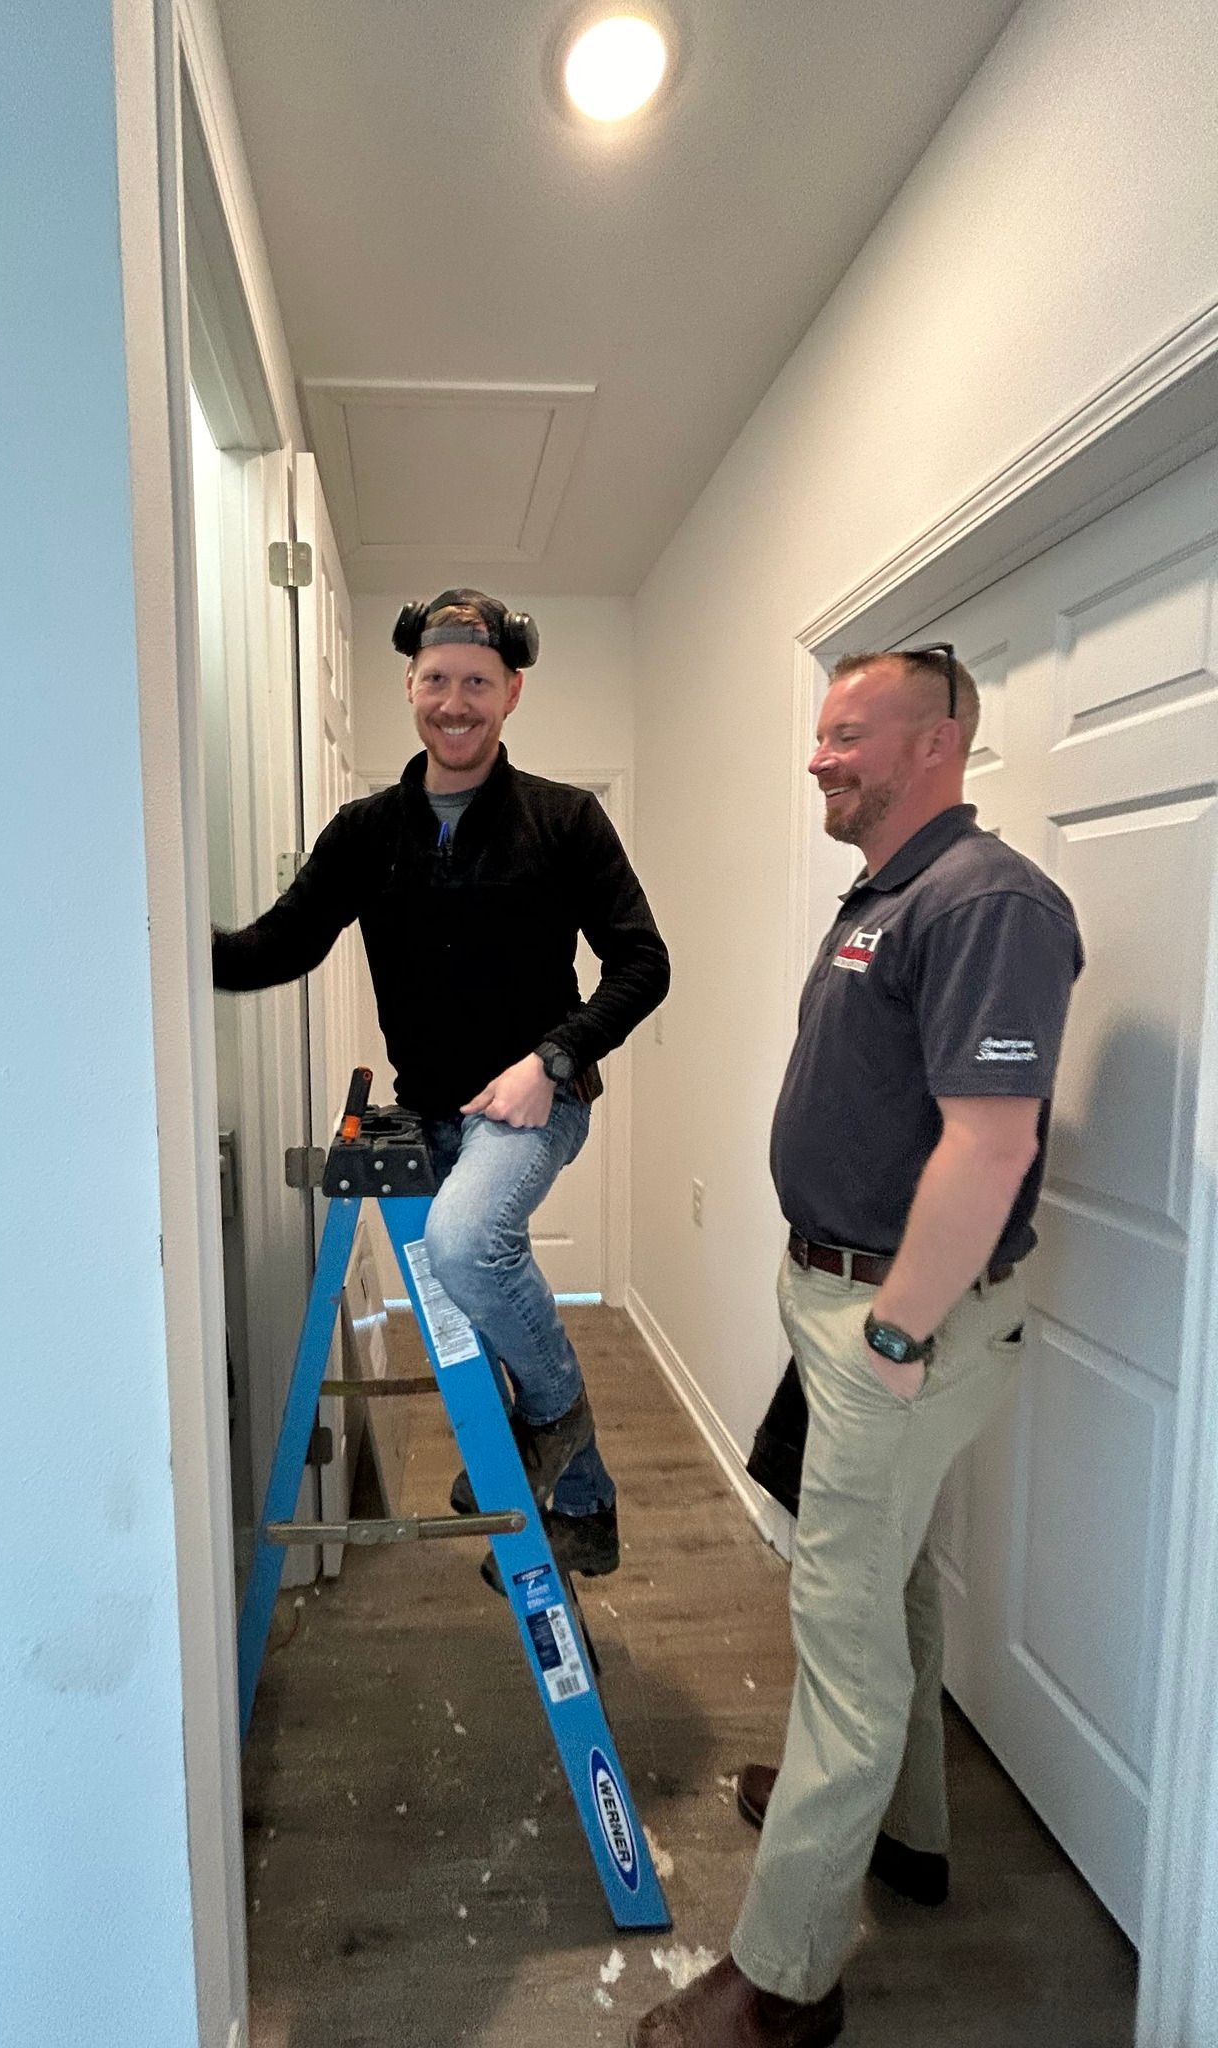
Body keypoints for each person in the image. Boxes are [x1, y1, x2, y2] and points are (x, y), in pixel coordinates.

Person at [634, 645, 1083, 2048]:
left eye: (847, 734)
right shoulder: (892, 889)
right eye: (820, 735)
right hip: (843, 1297)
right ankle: (904, 1830)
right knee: (882, 1589)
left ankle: (783, 1980)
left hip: (899, 1314)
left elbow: (992, 1139)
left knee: (842, 1634)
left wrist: (892, 1329)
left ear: (937, 743)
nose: (819, 758)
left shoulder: (989, 899)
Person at [213, 589, 669, 1578]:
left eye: (475, 681)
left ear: (510, 691)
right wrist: (166, 944)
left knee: (468, 1243)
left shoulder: (565, 819)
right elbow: (278, 942)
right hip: (429, 1113)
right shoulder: (367, 831)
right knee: (482, 1287)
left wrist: (552, 1059)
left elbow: (642, 962)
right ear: (410, 687)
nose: (453, 701)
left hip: (535, 1102)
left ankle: (546, 1425)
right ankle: (583, 1502)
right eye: (435, 680)